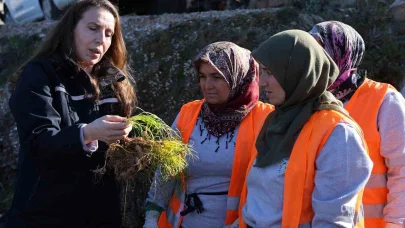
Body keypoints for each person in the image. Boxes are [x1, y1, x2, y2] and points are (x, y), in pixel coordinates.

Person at [6, 0, 136, 227]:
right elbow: (39, 141)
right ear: (70, 29)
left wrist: (133, 137)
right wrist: (88, 133)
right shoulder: (40, 74)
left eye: (109, 34)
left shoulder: (113, 81)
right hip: (46, 214)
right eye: (92, 28)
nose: (101, 40)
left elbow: (123, 140)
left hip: (101, 213)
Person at [239, 30, 373, 227]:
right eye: (261, 71)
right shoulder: (276, 120)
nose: (262, 82)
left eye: (270, 72)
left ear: (298, 71)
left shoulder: (338, 133)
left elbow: (333, 221)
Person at [142, 41, 274, 228]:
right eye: (202, 77)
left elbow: (271, 187)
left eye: (216, 77)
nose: (207, 85)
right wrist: (152, 217)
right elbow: (166, 171)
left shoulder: (266, 119)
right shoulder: (189, 113)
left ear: (238, 76)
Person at [309, 21, 405, 228]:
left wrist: (397, 224)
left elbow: (402, 171)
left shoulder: (385, 100)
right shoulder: (308, 102)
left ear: (340, 53)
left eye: (319, 50)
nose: (312, 59)